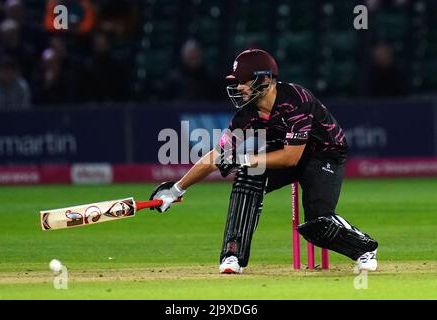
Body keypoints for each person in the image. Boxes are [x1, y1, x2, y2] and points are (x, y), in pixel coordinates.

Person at [149, 49, 379, 274]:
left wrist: (242, 159)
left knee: (317, 225)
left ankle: (364, 248)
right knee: (248, 176)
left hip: (323, 154)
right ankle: (233, 254)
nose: (239, 87)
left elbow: (292, 157)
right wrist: (177, 188)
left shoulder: (296, 99)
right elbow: (216, 156)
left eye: (244, 81)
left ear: (266, 79)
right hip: (281, 149)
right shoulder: (247, 114)